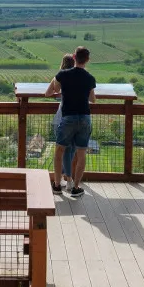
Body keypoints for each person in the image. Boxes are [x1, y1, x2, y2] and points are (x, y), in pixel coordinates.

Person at [44, 46, 96, 197]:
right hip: (84, 118)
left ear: (74, 57)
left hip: (67, 118)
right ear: (87, 60)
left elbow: (53, 90)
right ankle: (75, 187)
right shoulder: (89, 78)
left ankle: (57, 185)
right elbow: (92, 99)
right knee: (81, 153)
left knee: (59, 151)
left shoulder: (62, 74)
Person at [52, 53, 76, 189]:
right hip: (77, 117)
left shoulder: (60, 76)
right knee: (71, 150)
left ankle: (59, 181)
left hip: (62, 117)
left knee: (61, 151)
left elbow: (50, 92)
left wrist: (55, 78)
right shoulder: (81, 77)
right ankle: (67, 178)